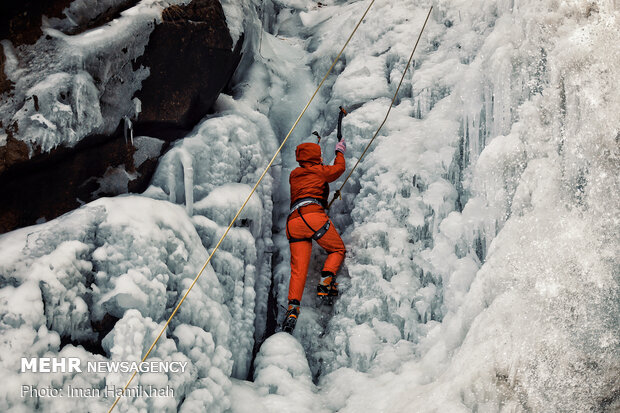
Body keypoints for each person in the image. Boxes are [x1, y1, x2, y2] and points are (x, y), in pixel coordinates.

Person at [282, 136, 347, 333]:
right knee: (337, 249)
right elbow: (338, 170)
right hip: (313, 216)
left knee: (298, 270)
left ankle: (292, 309)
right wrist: (339, 152)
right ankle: (326, 283)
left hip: (294, 221)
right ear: (316, 156)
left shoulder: (294, 174)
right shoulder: (319, 170)